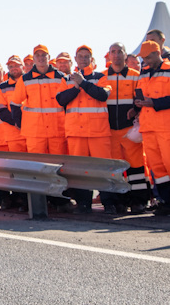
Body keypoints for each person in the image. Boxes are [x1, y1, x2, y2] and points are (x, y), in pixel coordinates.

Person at [56, 45, 112, 213]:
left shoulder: (100, 77)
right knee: (80, 170)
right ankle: (83, 204)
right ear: (75, 59)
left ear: (91, 59)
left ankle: (109, 203)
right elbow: (61, 99)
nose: (83, 59)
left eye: (86, 56)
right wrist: (76, 87)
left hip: (98, 131)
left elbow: (102, 95)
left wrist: (83, 83)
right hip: (76, 132)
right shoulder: (67, 79)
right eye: (80, 56)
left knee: (103, 168)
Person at [103, 42, 148, 214]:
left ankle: (139, 202)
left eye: (119, 51)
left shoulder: (136, 76)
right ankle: (119, 201)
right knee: (115, 169)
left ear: (125, 54)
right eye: (113, 52)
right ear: (109, 55)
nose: (116, 55)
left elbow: (141, 98)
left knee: (136, 168)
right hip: (110, 131)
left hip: (129, 130)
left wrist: (135, 109)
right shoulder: (102, 77)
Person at [132, 41, 170, 216]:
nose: (145, 61)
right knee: (157, 167)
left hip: (165, 127)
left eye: (148, 57)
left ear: (158, 53)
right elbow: (140, 94)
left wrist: (154, 102)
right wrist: (137, 106)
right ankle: (166, 202)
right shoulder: (144, 72)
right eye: (144, 58)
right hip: (148, 127)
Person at [11, 45, 70, 155]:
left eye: (43, 55)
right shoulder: (25, 79)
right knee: (35, 163)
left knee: (58, 163)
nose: (41, 58)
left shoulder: (61, 77)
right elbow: (15, 103)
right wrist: (21, 123)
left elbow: (69, 103)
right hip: (34, 133)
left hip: (57, 130)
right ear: (34, 58)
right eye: (37, 55)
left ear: (49, 57)